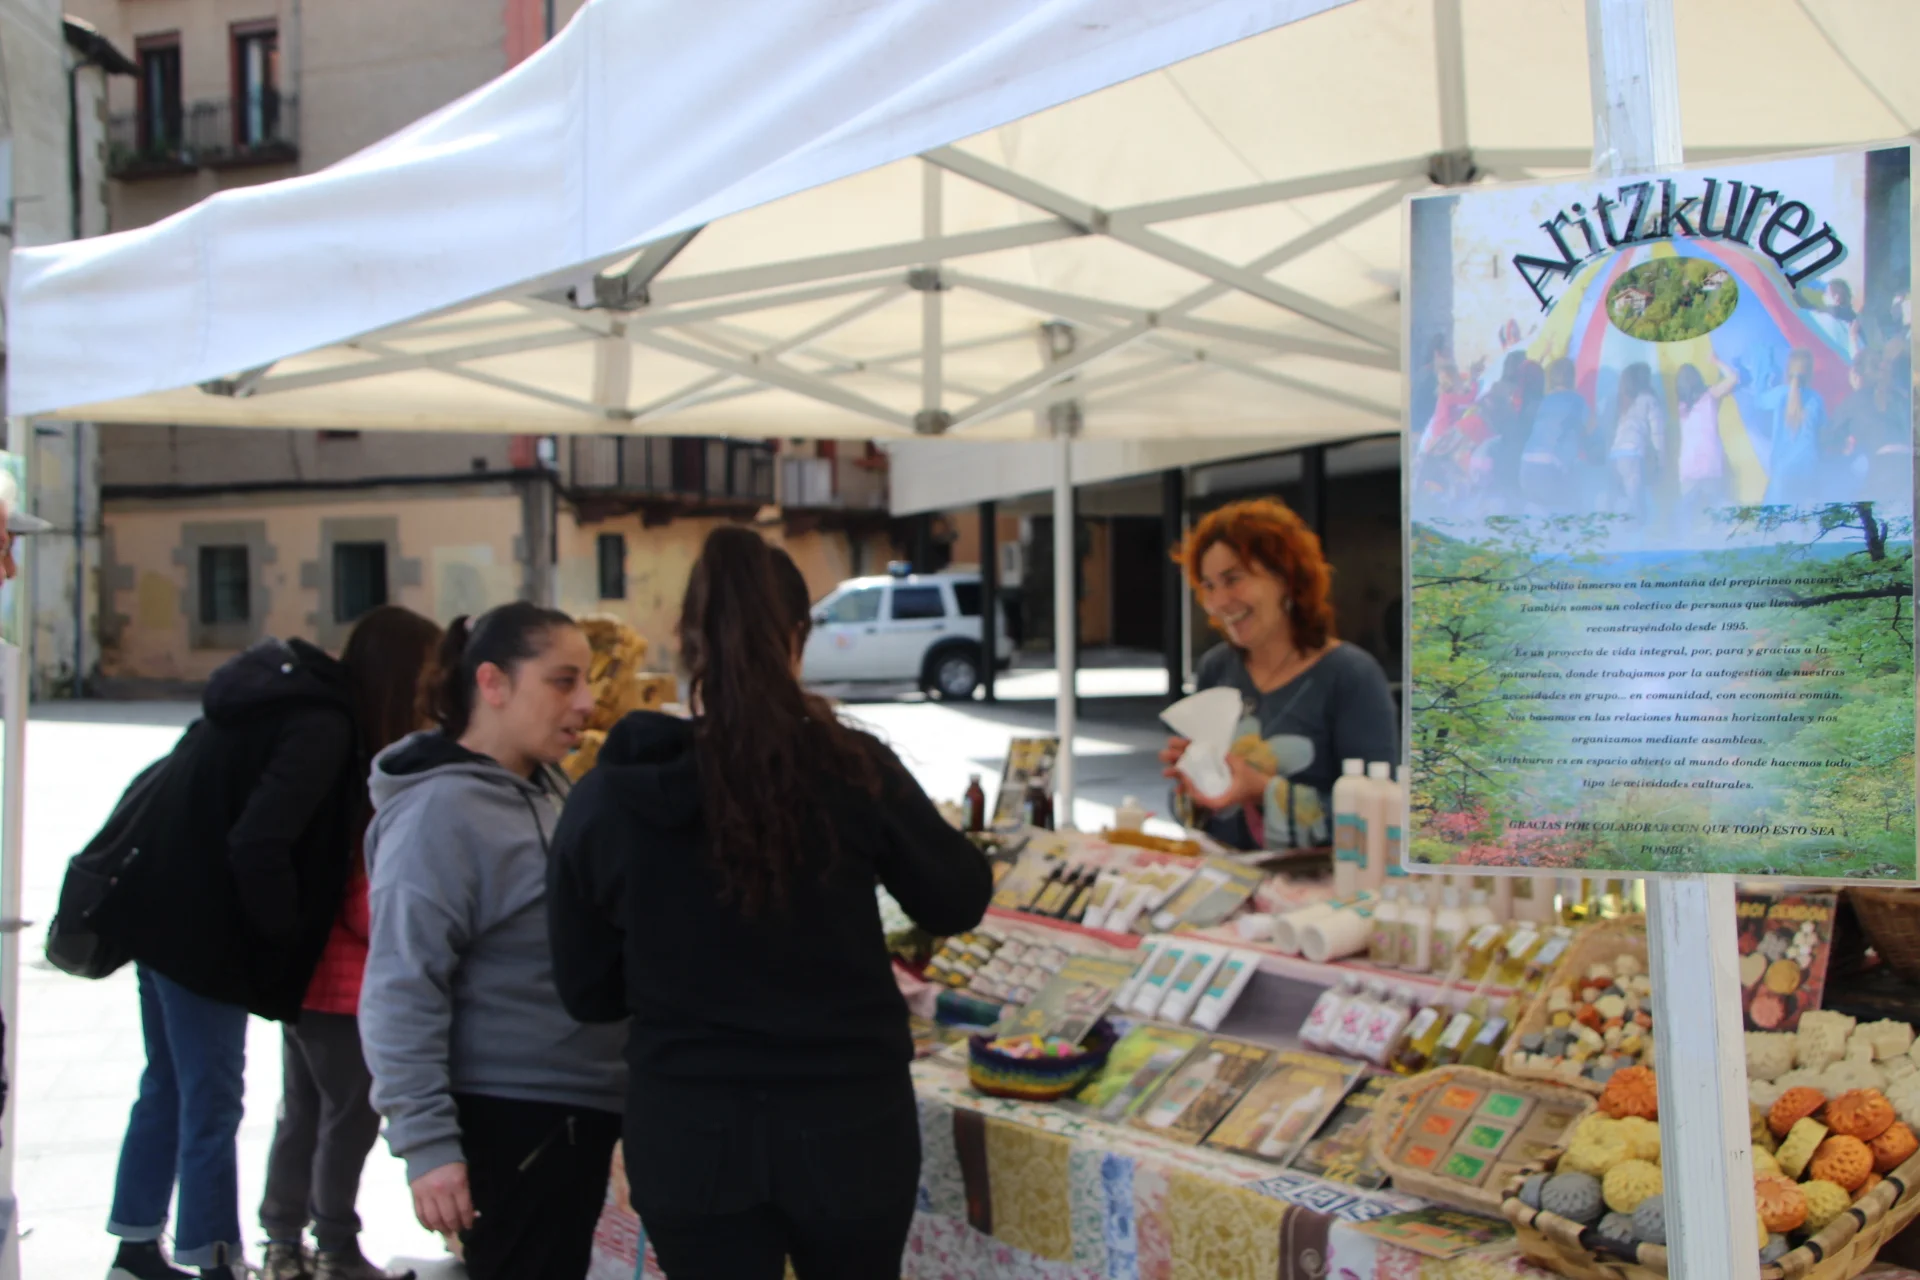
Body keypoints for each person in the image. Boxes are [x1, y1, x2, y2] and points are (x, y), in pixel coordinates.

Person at [547, 527, 992, 1280]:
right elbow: (958, 897)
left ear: (688, 641)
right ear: (797, 638)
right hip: (849, 1131)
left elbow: (586, 992)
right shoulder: (852, 768)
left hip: (690, 1134)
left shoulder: (610, 799)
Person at [359, 603, 626, 1280]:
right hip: (516, 1122)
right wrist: (428, 1146)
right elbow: (400, 987)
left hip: (580, 1115)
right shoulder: (438, 813)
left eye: (587, 681)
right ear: (493, 683)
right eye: (563, 681)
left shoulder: (549, 788)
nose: (586, 703)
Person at [103, 636, 364, 1280]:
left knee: (168, 1085)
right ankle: (213, 1255)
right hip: (205, 932)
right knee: (211, 1098)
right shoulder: (320, 724)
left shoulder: (256, 701)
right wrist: (281, 936)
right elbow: (258, 841)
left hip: (156, 910)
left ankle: (136, 1246)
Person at [260, 606, 443, 1280]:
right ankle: (335, 1245)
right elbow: (369, 900)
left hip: (308, 982)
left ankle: (283, 1241)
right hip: (347, 990)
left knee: (302, 1114)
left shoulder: (340, 754)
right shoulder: (376, 772)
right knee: (349, 1120)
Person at [1159, 499, 1397, 852]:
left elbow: (1379, 816)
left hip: (1321, 884)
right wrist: (1195, 779)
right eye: (1208, 585)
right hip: (1225, 875)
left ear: (1285, 578)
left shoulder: (1350, 676)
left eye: (1233, 579)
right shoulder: (1217, 668)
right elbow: (1202, 818)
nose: (1217, 602)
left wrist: (1261, 791)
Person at [1758, 348, 1828, 505]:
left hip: (1783, 469)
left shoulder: (1779, 395)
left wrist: (1765, 367)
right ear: (1810, 373)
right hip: (1809, 469)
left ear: (1787, 371)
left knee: (1773, 517)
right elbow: (1824, 431)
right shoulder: (1816, 399)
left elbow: (1758, 400)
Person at [1519, 358, 1590, 511]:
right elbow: (1586, 431)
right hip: (1552, 466)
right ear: (1573, 378)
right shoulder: (1577, 401)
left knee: (1538, 510)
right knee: (1565, 509)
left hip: (1526, 464)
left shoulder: (1544, 401)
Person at [1675, 359, 1740, 516]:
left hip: (1688, 465)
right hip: (1709, 461)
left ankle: (1682, 533)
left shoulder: (1682, 407)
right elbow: (1734, 379)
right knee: (1717, 506)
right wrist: (1717, 361)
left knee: (1688, 512)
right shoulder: (1710, 396)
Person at [1607, 361, 1665, 520]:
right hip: (1633, 455)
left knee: (1619, 505)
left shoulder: (1623, 402)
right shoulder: (1649, 400)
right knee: (1637, 508)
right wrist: (1660, 463)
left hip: (1614, 456)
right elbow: (1658, 434)